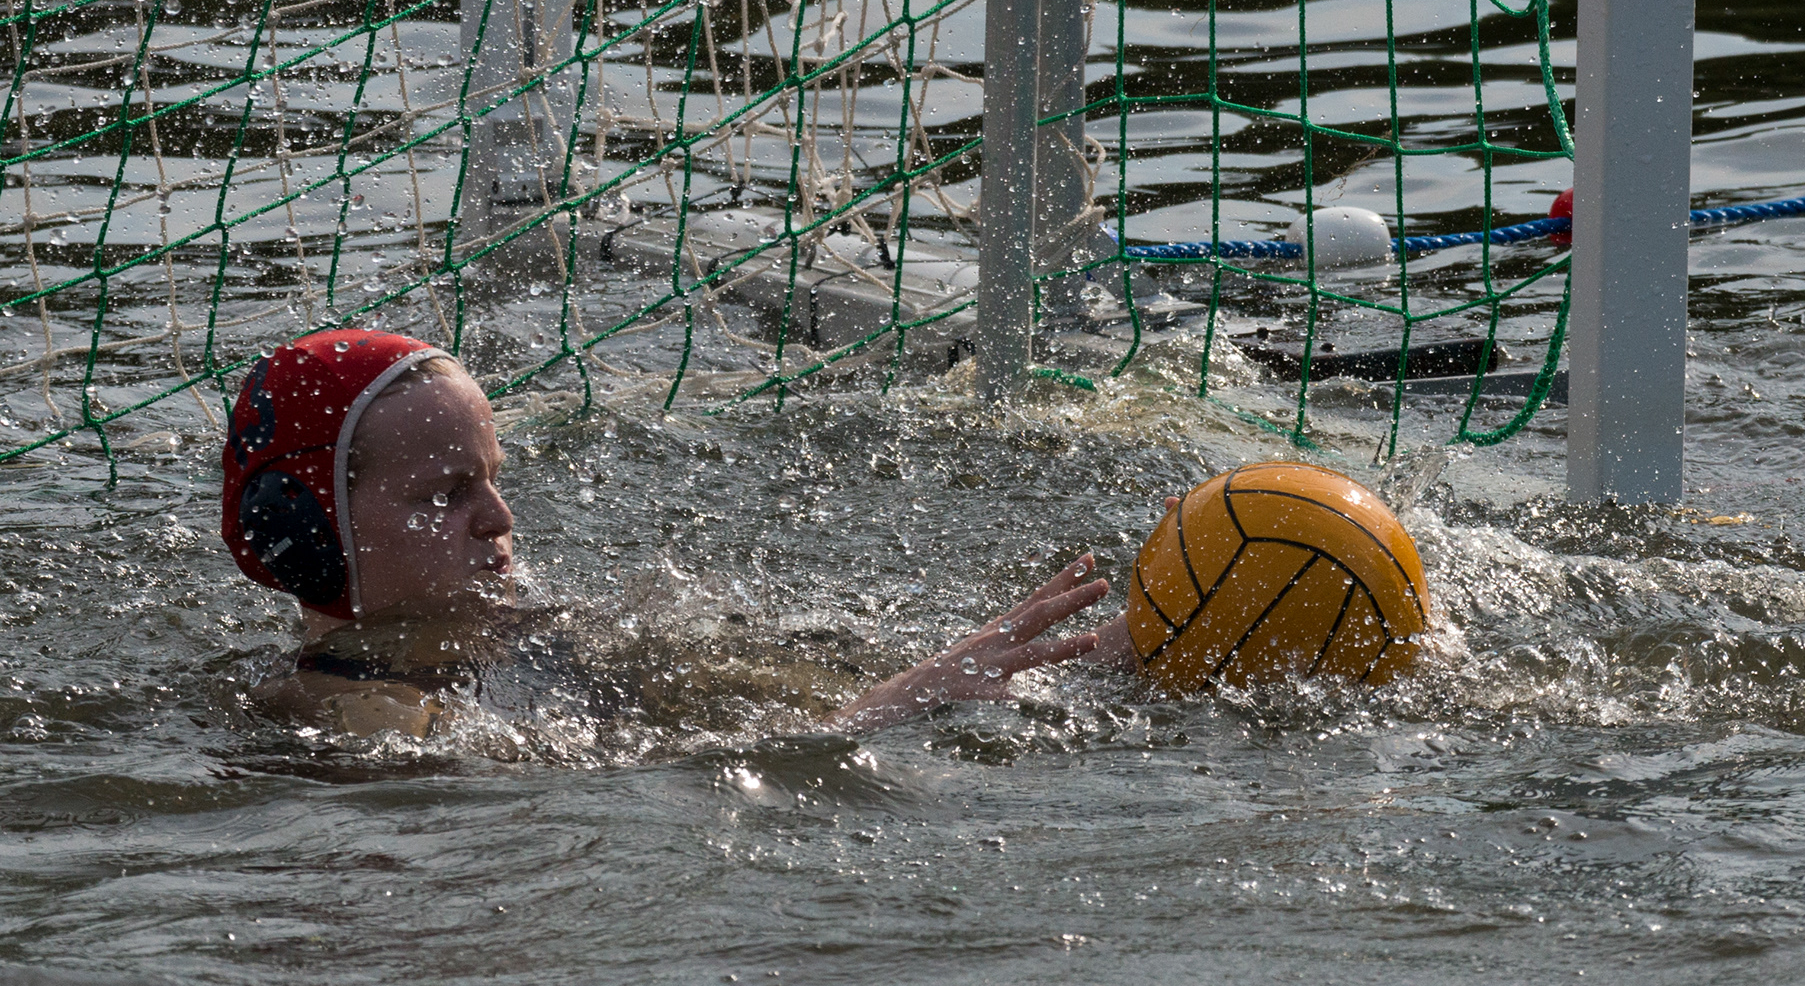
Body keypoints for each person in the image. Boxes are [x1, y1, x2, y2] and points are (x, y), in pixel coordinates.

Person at [226, 330, 1128, 740]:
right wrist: (904, 702)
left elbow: (787, 702)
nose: (499, 520)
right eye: (444, 495)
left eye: (494, 479)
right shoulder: (350, 715)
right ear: (307, 533)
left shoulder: (546, 636)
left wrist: (1116, 637)